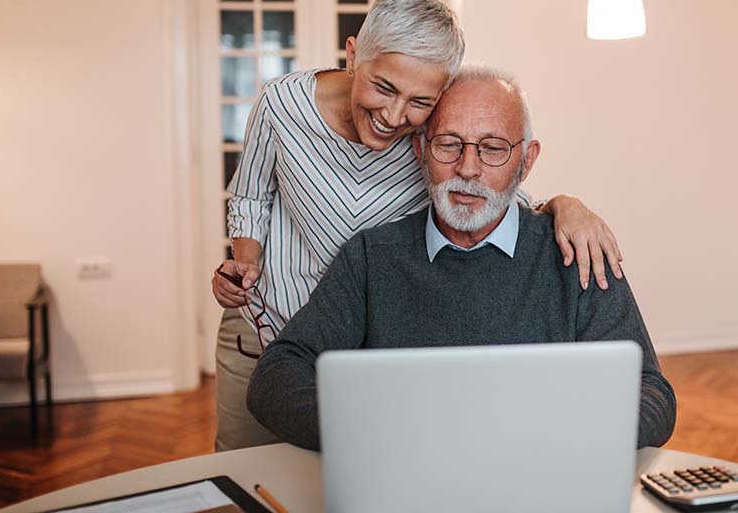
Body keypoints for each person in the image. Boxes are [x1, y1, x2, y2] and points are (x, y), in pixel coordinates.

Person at [212, 0, 625, 451]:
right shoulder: (282, 104)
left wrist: (566, 205)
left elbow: (496, 191)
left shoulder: (425, 143)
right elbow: (250, 194)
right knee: (245, 467)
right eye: (384, 87)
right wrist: (245, 263)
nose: (393, 116)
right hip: (268, 320)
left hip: (357, 338)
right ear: (352, 56)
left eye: (420, 101)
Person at [246, 67, 677, 450]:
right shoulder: (371, 257)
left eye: (492, 149)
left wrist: (549, 438)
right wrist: (376, 436)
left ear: (526, 161)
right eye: (449, 144)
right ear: (420, 152)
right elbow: (276, 376)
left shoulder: (577, 253)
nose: (467, 168)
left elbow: (652, 395)